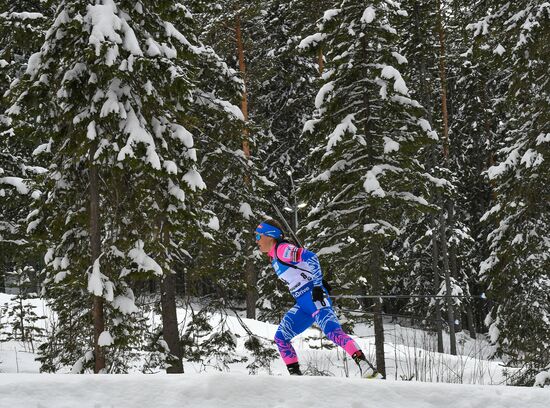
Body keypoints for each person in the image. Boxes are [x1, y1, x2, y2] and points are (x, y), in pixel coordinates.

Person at [255, 219, 378, 378]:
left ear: (270, 236)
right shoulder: (275, 256)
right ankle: (296, 376)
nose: (256, 240)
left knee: (332, 331)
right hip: (302, 303)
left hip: (313, 297)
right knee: (281, 337)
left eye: (259, 236)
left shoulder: (282, 250)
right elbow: (303, 269)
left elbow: (311, 257)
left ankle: (364, 365)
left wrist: (318, 286)